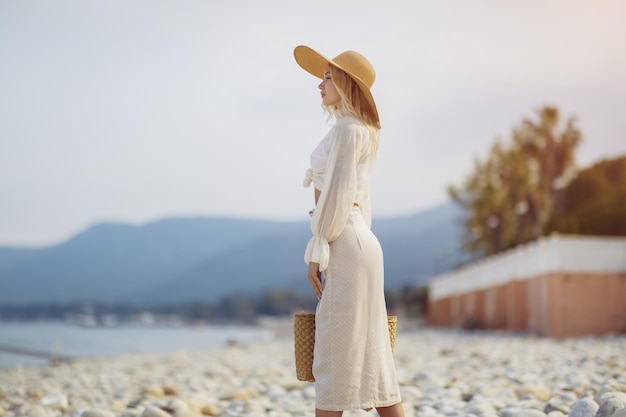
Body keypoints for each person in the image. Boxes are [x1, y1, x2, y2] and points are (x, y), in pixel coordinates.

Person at [294, 45, 405, 417]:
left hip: (345, 239)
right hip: (362, 241)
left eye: (327, 76)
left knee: (335, 351)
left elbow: (338, 196)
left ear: (345, 82)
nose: (320, 85)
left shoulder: (346, 129)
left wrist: (317, 248)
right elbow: (361, 200)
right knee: (374, 353)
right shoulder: (364, 130)